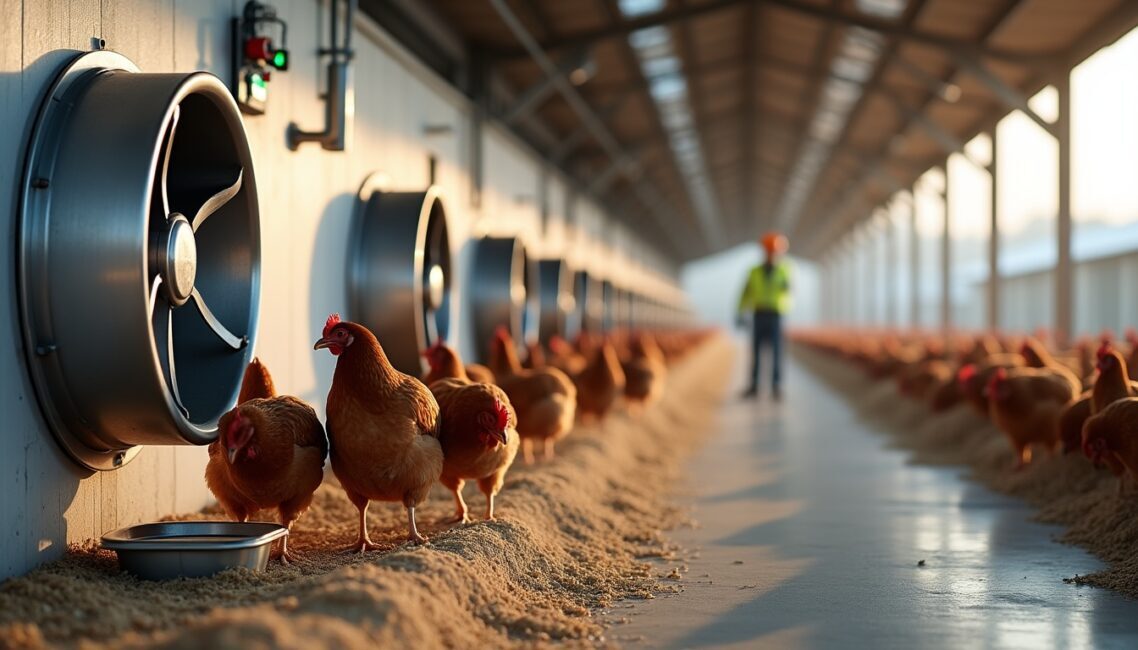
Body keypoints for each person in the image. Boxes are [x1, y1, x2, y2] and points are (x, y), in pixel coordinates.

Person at [736, 232, 791, 400]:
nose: (772, 254)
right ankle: (754, 386)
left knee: (777, 352)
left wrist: (787, 289)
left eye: (774, 251)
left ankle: (776, 386)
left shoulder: (784, 271)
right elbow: (745, 293)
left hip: (776, 314)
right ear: (764, 252)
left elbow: (789, 292)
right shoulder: (754, 272)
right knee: (756, 351)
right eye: (769, 251)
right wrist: (740, 312)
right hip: (759, 314)